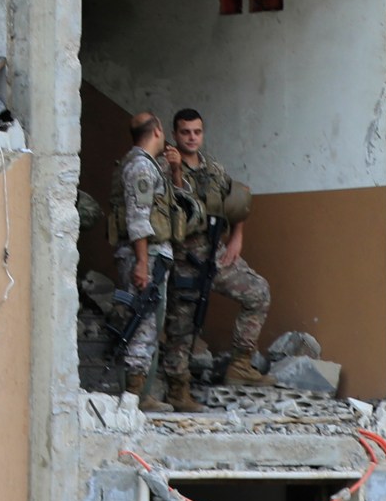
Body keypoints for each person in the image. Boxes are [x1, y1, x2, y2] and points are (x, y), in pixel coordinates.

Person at [167, 108, 276, 388]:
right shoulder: (164, 165)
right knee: (182, 326)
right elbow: (178, 207)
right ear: (174, 134)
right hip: (183, 258)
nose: (192, 138)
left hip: (214, 252)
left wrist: (237, 236)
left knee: (258, 292)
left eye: (197, 132)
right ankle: (177, 388)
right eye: (185, 132)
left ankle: (240, 364)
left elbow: (238, 200)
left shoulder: (213, 168)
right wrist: (177, 170)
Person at [108, 112, 187, 411]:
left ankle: (142, 393)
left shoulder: (152, 166)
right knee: (142, 324)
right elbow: (138, 219)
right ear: (157, 131)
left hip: (155, 255)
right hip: (146, 255)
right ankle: (136, 396)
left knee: (148, 323)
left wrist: (176, 171)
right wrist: (142, 263)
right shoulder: (141, 167)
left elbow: (176, 204)